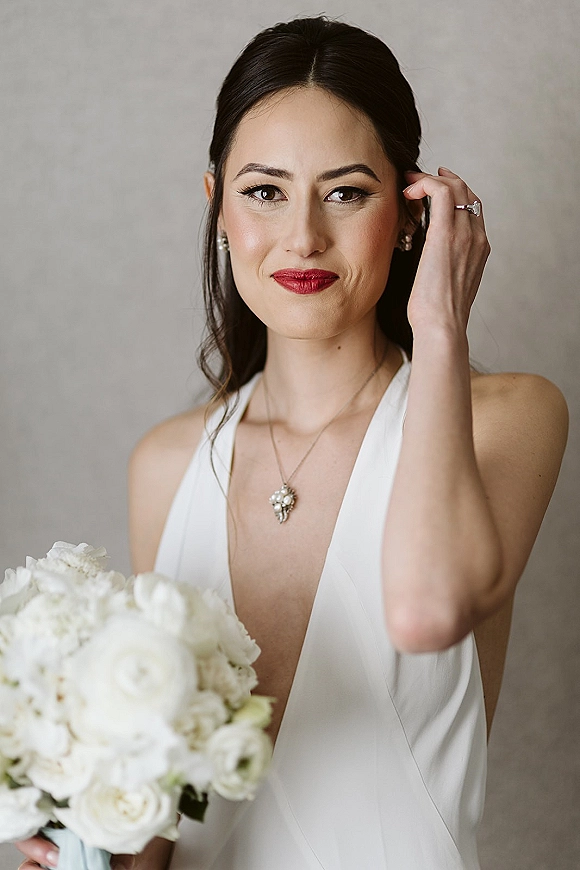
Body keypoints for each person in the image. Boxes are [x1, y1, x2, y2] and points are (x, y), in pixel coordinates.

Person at [16, 15, 568, 870]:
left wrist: (440, 321)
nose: (304, 236)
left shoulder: (505, 417)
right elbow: (164, 822)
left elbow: (427, 612)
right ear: (219, 207)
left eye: (347, 191)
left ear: (414, 211)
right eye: (266, 191)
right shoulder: (166, 464)